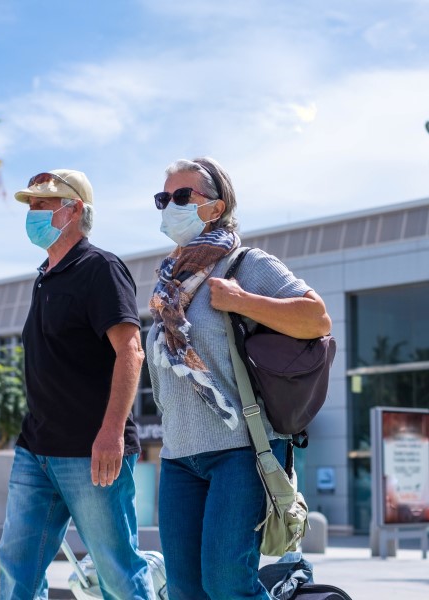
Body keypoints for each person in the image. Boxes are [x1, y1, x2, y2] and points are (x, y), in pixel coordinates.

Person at [146, 157, 332, 600]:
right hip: (178, 457)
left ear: (216, 206)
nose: (169, 206)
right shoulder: (170, 282)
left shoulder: (245, 264)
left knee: (228, 585)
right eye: (162, 198)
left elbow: (316, 318)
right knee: (186, 591)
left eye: (181, 196)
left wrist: (242, 301)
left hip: (239, 451)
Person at [0, 169, 155, 600]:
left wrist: (110, 434)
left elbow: (131, 352)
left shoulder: (100, 268)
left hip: (92, 454)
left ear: (74, 210)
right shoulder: (44, 277)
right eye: (30, 205)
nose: (32, 213)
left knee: (117, 574)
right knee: (17, 569)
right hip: (35, 450)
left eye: (41, 205)